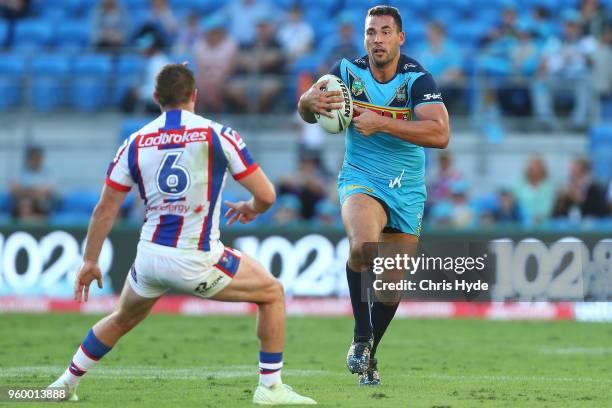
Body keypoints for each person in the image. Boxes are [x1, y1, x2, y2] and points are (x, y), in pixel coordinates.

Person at [48, 64, 315, 406]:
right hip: (196, 257)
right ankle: (271, 389)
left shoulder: (135, 141)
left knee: (122, 317)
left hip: (150, 256)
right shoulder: (217, 135)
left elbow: (105, 208)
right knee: (273, 293)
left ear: (156, 97)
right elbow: (267, 196)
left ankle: (64, 383)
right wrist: (252, 208)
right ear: (195, 96)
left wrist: (89, 260)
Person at [297, 5, 450, 386]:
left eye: (385, 32)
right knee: (363, 247)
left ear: (400, 38)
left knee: (390, 288)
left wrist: (382, 122)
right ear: (363, 37)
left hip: (407, 186)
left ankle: (369, 353)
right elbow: (306, 107)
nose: (377, 39)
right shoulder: (346, 72)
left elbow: (441, 135)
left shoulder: (417, 79)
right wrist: (307, 104)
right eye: (370, 33)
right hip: (361, 177)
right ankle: (361, 335)